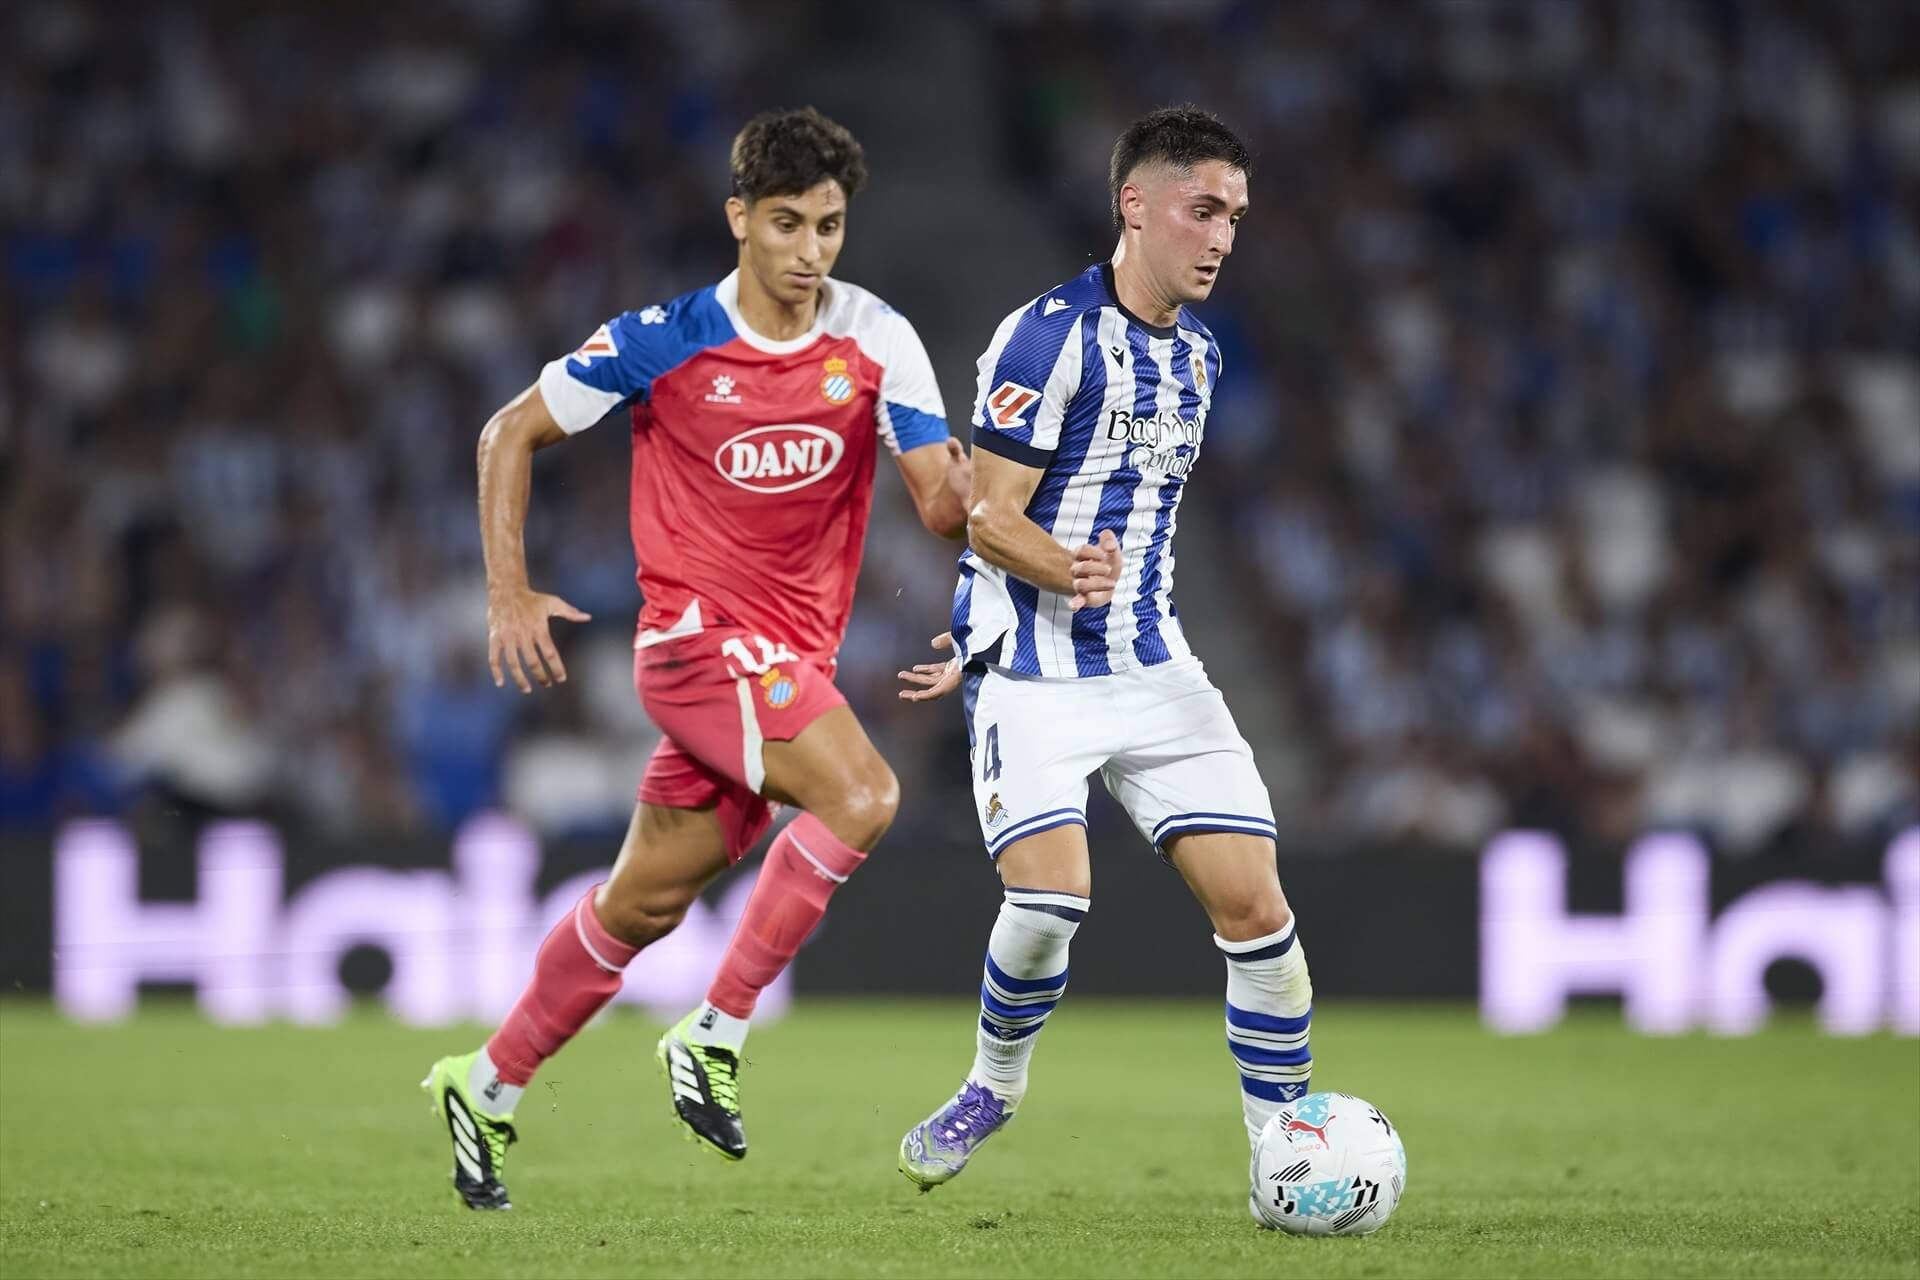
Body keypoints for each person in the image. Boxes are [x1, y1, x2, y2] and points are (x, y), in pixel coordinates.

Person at [421, 106, 969, 1210]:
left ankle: (483, 1083)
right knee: (863, 793)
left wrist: (1000, 496)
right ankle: (713, 1033)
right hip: (693, 647)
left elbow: (943, 505)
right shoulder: (663, 339)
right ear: (738, 220)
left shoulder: (876, 337)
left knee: (643, 905)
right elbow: (506, 432)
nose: (810, 251)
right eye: (786, 224)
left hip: (782, 667)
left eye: (829, 226)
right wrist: (507, 588)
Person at [892, 107, 1312, 1215]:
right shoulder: (1046, 338)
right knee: (1050, 903)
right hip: (1034, 675)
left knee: (1259, 914)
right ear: (1137, 205)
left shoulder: (1204, 356)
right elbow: (988, 513)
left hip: (1155, 668)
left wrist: (1100, 588)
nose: (1223, 236)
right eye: (1203, 209)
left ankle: (1286, 1159)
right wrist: (1051, 577)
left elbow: (1142, 521)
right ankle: (992, 1086)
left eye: (1235, 216)